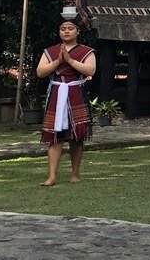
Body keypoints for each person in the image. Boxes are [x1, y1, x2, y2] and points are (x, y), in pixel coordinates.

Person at [36, 16, 97, 186]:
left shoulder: (86, 51)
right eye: (63, 28)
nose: (67, 31)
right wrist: (58, 61)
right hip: (57, 93)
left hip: (75, 92)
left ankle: (75, 174)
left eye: (70, 28)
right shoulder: (50, 51)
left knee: (76, 137)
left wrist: (69, 60)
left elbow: (90, 69)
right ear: (59, 32)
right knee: (54, 137)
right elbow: (40, 72)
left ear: (77, 32)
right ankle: (52, 176)